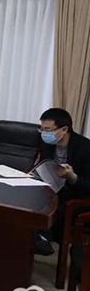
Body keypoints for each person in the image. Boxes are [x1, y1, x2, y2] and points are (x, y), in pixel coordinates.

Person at [35, 108, 90, 256]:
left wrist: (73, 177)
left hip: (76, 194)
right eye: (41, 129)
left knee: (55, 204)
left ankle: (43, 238)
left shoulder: (85, 148)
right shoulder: (46, 144)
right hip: (51, 189)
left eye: (48, 130)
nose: (44, 133)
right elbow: (42, 165)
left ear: (64, 130)